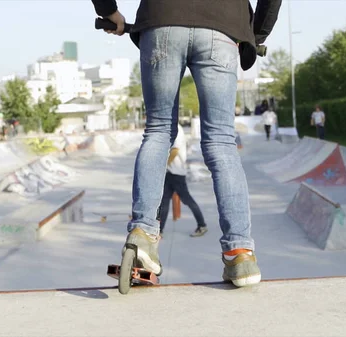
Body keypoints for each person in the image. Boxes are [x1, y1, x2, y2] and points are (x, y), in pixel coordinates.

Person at [91, 0, 282, 287]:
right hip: (223, 26)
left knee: (157, 131)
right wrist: (257, 33)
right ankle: (239, 252)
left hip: (162, 19)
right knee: (221, 141)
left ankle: (142, 234)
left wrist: (108, 11)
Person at [158, 123, 207, 238]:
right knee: (164, 202)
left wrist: (163, 165)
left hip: (177, 173)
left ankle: (202, 225)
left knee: (187, 199)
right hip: (170, 173)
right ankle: (159, 230)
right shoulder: (170, 127)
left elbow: (175, 150)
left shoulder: (177, 129)